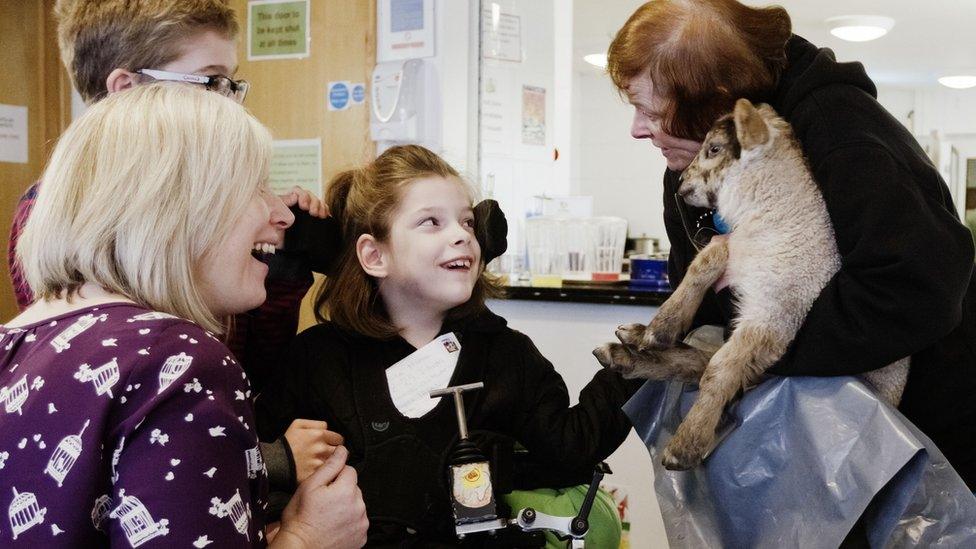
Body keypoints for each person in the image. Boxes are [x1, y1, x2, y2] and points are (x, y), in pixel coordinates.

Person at [604, 0, 976, 494]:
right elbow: (700, 305)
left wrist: (757, 345)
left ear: (715, 99)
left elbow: (916, 289)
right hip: (808, 444)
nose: (636, 129)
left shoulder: (841, 132)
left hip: (919, 454)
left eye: (651, 111)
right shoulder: (696, 163)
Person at [0, 83, 368, 547]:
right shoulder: (176, 361)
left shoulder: (15, 344)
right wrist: (309, 537)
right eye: (254, 187)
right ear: (177, 204)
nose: (283, 213)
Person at [6, 0, 339, 493]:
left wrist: (276, 267)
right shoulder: (54, 217)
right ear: (125, 90)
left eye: (233, 84)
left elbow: (250, 367)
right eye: (210, 83)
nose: (230, 103)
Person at [255, 145, 641, 546]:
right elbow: (259, 470)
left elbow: (569, 446)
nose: (461, 235)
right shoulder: (317, 359)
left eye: (468, 222)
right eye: (432, 223)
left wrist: (641, 361)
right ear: (374, 255)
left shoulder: (506, 355)